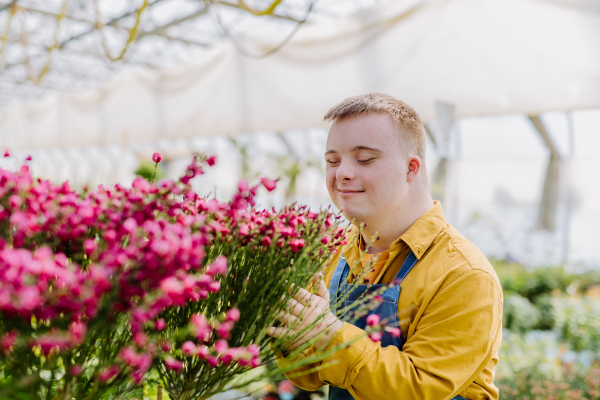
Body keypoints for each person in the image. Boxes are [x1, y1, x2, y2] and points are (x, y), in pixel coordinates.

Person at [267, 93, 503, 400]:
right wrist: (287, 325)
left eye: (364, 159)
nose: (341, 173)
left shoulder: (464, 275)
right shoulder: (338, 253)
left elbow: (420, 389)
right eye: (332, 161)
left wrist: (327, 332)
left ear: (411, 168)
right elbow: (310, 378)